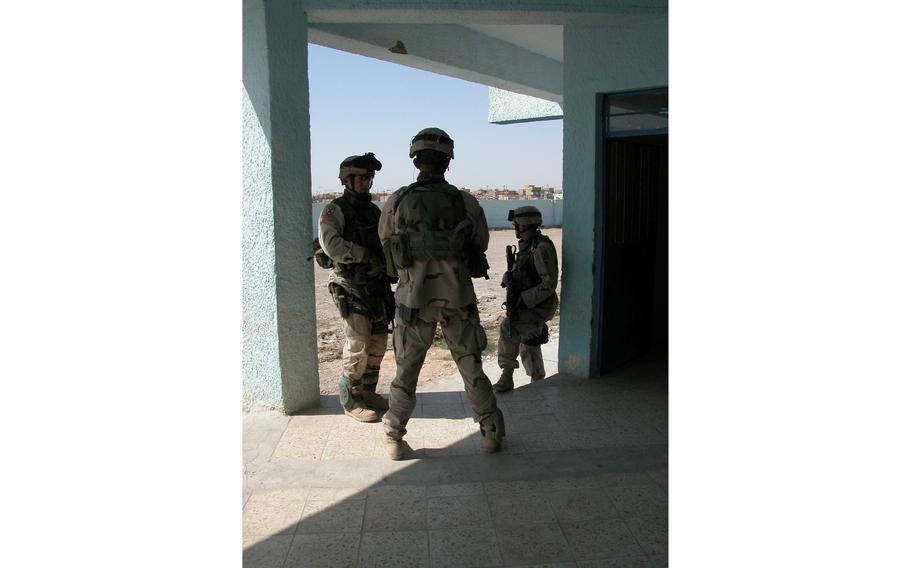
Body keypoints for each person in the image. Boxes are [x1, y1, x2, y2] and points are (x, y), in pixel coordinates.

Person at [378, 127, 505, 459]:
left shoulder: (397, 201)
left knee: (406, 370)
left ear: (415, 160)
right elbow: (481, 244)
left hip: (412, 304)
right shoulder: (465, 202)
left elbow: (386, 243)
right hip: (458, 302)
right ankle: (490, 431)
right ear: (448, 161)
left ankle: (393, 437)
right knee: (471, 366)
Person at [317, 152, 394, 422]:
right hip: (350, 285)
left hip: (375, 286)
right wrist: (365, 256)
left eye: (369, 178)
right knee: (358, 344)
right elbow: (331, 245)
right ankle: (351, 400)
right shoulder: (334, 210)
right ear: (346, 180)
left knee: (378, 344)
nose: (367, 183)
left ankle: (368, 392)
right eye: (361, 178)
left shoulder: (373, 210)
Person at [493, 206, 560, 393]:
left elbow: (549, 284)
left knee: (509, 327)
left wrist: (524, 299)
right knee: (529, 340)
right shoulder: (527, 246)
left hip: (540, 305)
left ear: (528, 226)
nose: (516, 230)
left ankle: (507, 376)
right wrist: (509, 277)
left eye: (518, 226)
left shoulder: (541, 248)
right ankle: (538, 379)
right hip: (528, 303)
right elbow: (525, 271)